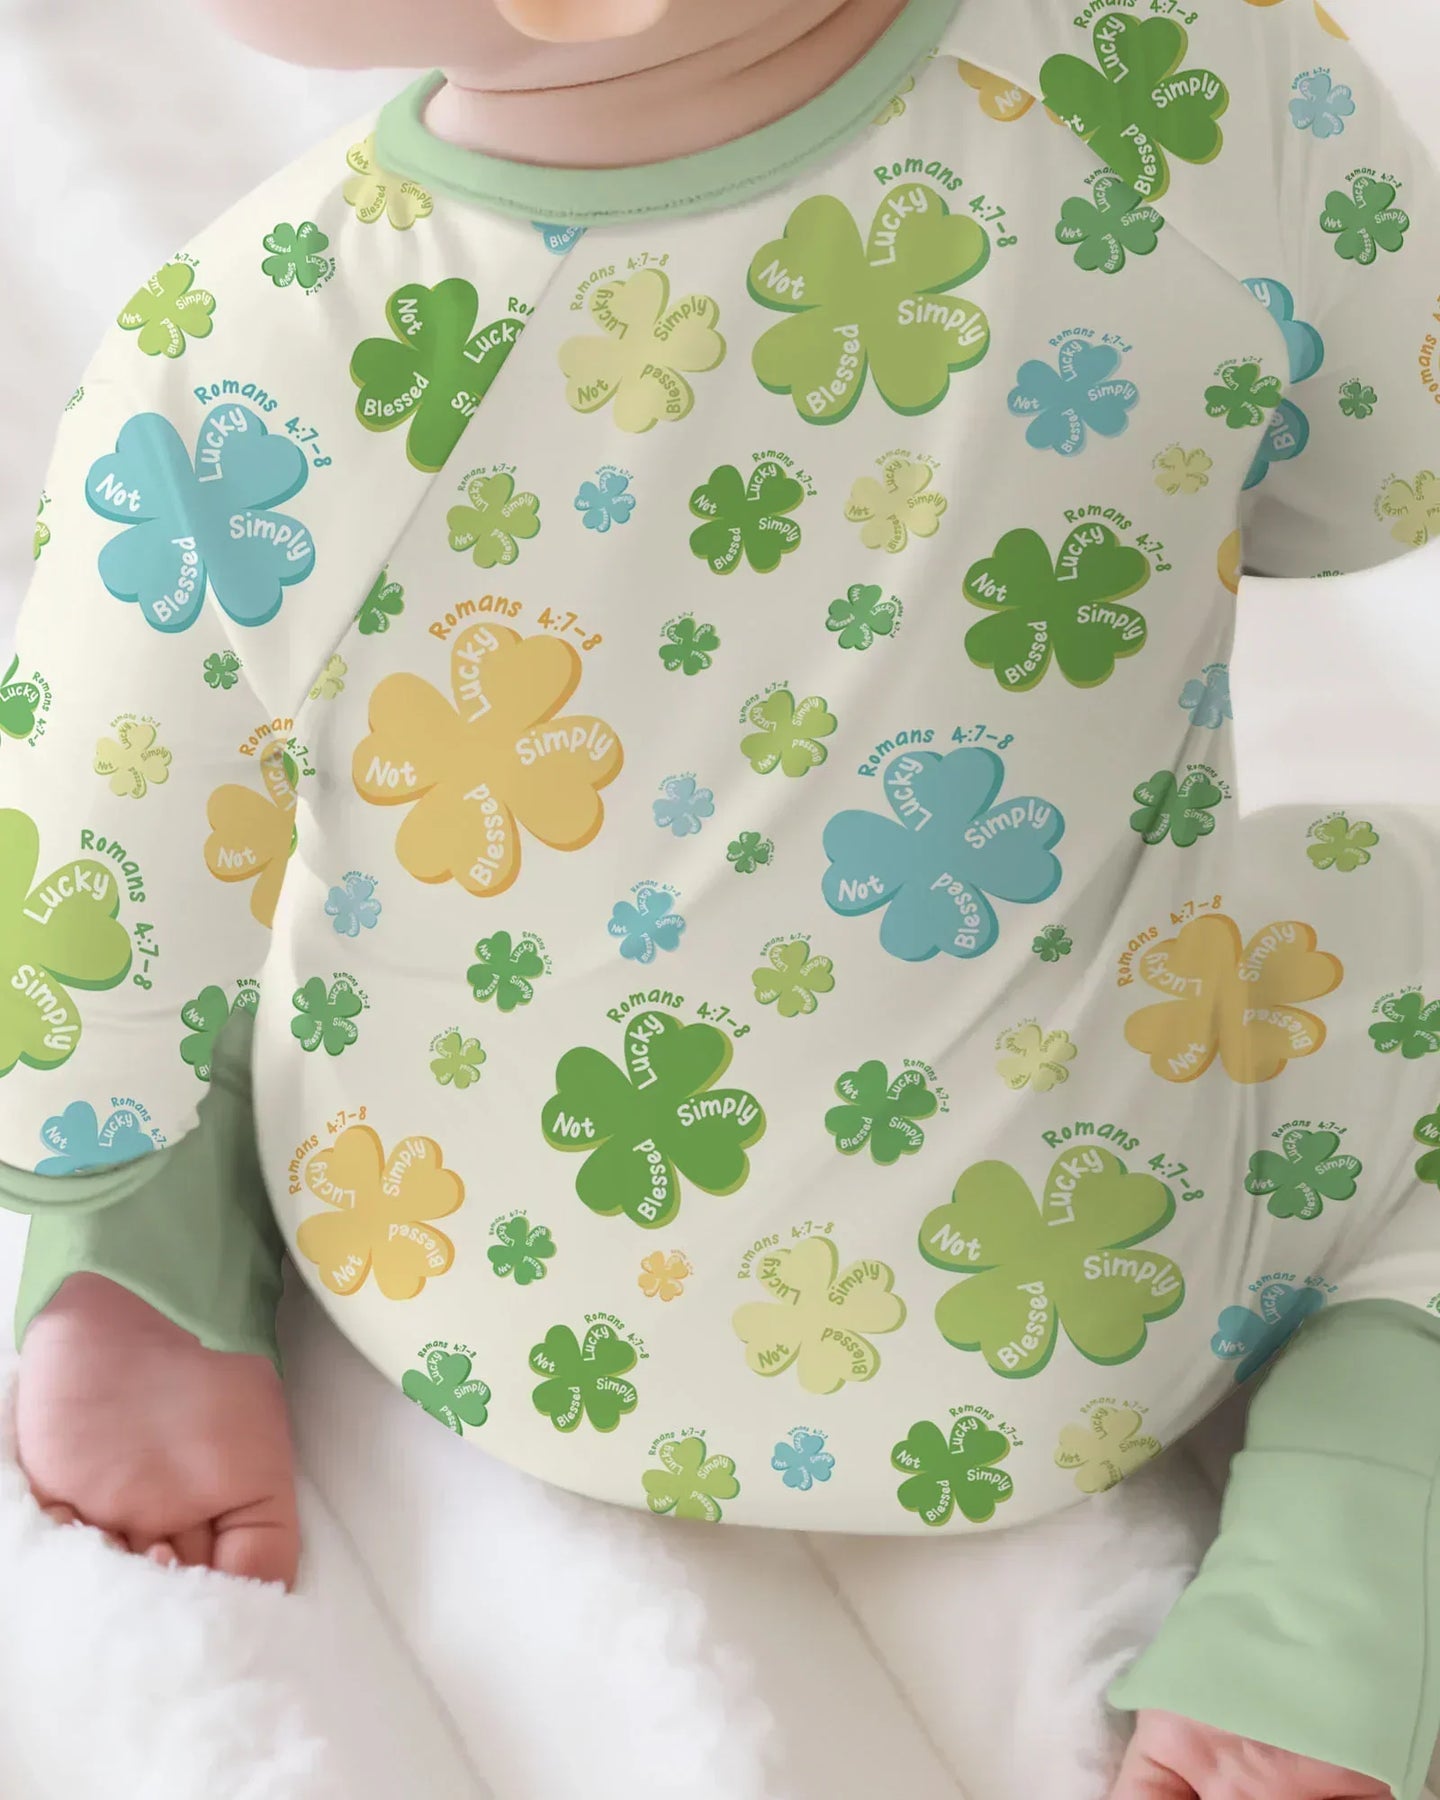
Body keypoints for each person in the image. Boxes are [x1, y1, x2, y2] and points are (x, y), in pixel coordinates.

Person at [3, 0, 1439, 1793]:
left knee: (227, 907)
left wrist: (82, 1162)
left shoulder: (233, 354)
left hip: (446, 1274)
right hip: (1067, 1319)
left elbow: (66, 936)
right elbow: (1379, 474)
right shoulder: (1184, 69)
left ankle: (135, 1265)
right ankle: (1335, 1614)